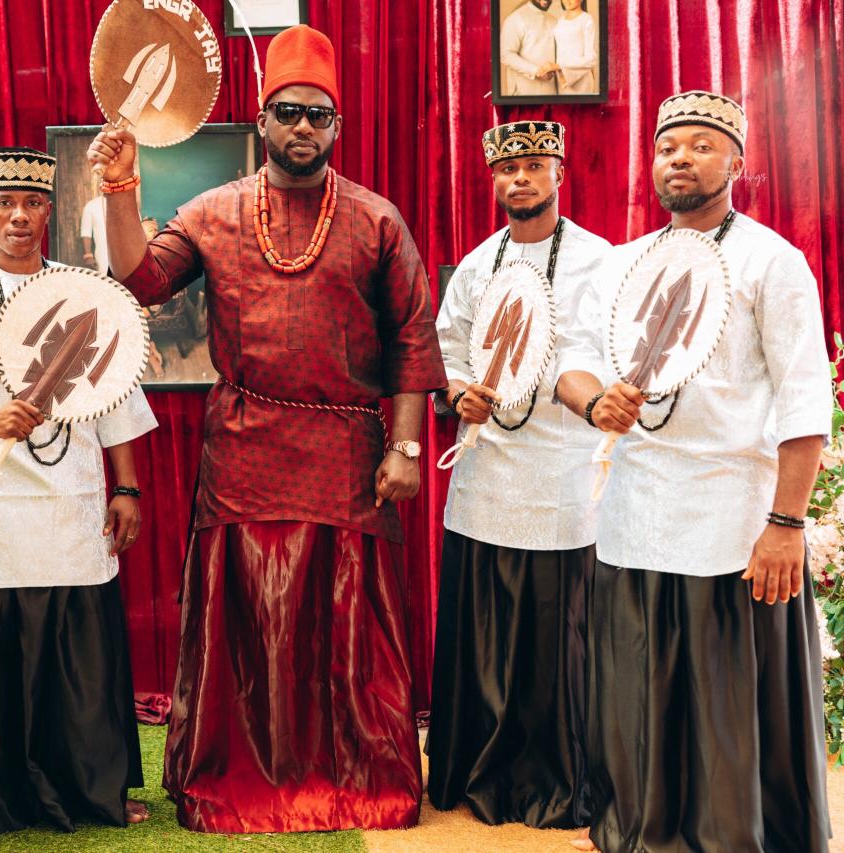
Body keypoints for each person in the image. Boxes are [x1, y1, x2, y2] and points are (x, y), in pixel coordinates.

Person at [88, 24, 447, 833]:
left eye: (318, 115)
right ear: (261, 119)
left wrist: (406, 445)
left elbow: (412, 339)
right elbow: (140, 279)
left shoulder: (377, 219)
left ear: (337, 126)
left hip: (348, 452)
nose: (303, 127)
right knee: (251, 620)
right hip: (244, 446)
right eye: (289, 112)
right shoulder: (212, 213)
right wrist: (119, 188)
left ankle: (354, 780)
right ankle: (244, 777)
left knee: (343, 627)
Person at [556, 91, 833, 853]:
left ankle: (732, 836)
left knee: (724, 703)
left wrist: (786, 524)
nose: (680, 157)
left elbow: (805, 400)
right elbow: (572, 361)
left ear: (737, 162)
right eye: (667, 146)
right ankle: (644, 829)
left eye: (701, 145)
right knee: (637, 691)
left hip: (732, 521)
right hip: (636, 513)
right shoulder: (622, 264)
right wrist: (595, 403)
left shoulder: (772, 261)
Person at [0, 146, 157, 838]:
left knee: (78, 656)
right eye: (5, 203)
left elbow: (115, 394)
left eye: (32, 203)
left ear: (48, 211)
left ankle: (90, 789)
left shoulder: (80, 290)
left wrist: (127, 486)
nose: (19, 215)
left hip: (73, 494)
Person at [425, 120, 609, 830]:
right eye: (509, 168)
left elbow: (603, 357)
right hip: (486, 479)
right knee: (484, 639)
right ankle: (478, 773)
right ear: (494, 180)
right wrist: (457, 393)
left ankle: (553, 782)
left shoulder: (599, 262)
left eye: (535, 165)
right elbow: (446, 354)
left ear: (560, 172)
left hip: (564, 480)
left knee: (555, 646)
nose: (521, 178)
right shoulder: (478, 266)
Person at [500, 0, 560, 97]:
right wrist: (536, 71)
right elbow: (506, 55)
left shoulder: (553, 20)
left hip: (551, 93)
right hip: (524, 94)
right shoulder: (516, 18)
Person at [553, 0, 598, 95]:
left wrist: (560, 65)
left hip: (581, 81)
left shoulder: (586, 19)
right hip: (562, 79)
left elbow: (591, 59)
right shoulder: (560, 20)